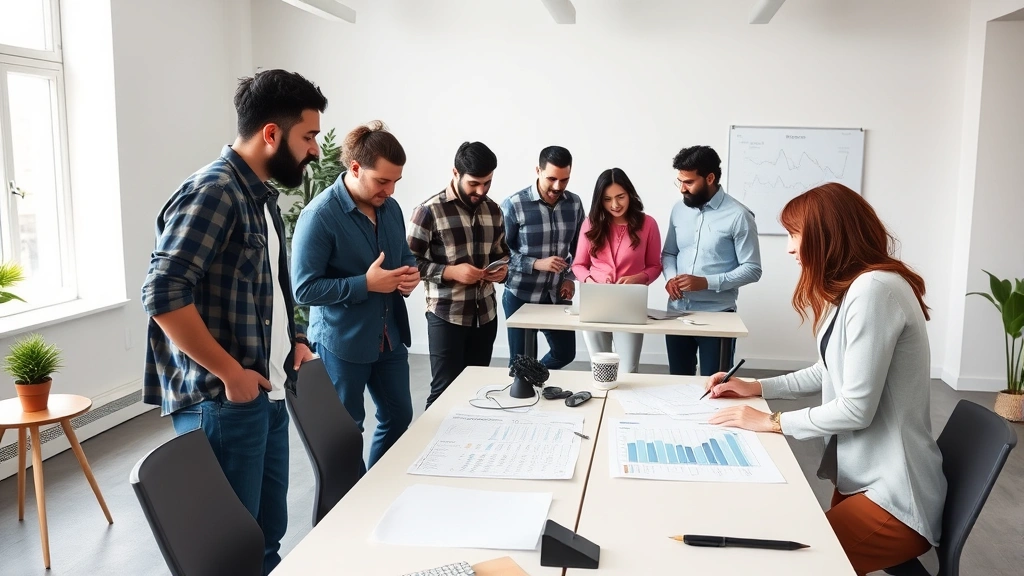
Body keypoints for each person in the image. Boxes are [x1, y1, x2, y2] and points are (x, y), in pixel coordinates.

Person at [704, 183, 946, 576]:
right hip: (865, 480)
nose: (789, 248)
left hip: (895, 499)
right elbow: (827, 370)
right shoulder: (855, 289)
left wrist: (773, 421)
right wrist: (758, 387)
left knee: (791, 565)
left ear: (828, 234)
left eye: (794, 234)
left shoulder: (875, 290)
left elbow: (855, 409)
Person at [141, 69, 324, 574]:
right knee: (227, 554)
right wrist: (230, 374)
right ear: (272, 133)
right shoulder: (214, 191)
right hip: (225, 402)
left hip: (264, 394)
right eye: (307, 136)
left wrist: (298, 340)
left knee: (264, 539)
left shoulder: (259, 196)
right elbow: (162, 293)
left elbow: (268, 286)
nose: (313, 149)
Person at [291, 120, 420, 470]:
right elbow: (303, 289)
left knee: (400, 415)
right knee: (348, 430)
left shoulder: (390, 209)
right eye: (382, 181)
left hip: (389, 336)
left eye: (396, 181)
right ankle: (352, 505)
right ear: (355, 168)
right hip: (342, 342)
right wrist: (365, 284)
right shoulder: (318, 216)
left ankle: (374, 487)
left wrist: (410, 274)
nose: (390, 190)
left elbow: (403, 256)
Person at [408, 142, 509, 409]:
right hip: (446, 315)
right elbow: (408, 263)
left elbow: (502, 252)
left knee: (477, 392)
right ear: (456, 173)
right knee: (443, 393)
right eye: (474, 183)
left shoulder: (494, 210)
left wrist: (502, 271)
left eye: (487, 183)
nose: (481, 190)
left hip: (486, 315)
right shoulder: (428, 211)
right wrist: (450, 271)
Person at [661, 145, 762, 376]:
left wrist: (706, 282)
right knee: (678, 381)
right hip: (676, 313)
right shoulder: (679, 210)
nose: (682, 189)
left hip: (718, 317)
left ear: (710, 178)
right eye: (680, 181)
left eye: (688, 182)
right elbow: (669, 253)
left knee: (715, 387)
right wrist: (670, 279)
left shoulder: (739, 216)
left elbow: (753, 269)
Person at [501, 146, 585, 369]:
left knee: (565, 352)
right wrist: (536, 264)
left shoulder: (575, 204)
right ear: (537, 170)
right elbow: (500, 253)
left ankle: (535, 376)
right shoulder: (514, 204)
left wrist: (570, 277)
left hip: (556, 295)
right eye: (552, 178)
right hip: (520, 294)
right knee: (520, 363)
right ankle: (526, 388)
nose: (558, 186)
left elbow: (581, 250)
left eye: (564, 180)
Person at [571, 168, 662, 373]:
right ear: (599, 200)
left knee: (628, 370)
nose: (615, 204)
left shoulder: (648, 224)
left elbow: (655, 266)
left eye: (620, 197)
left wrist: (638, 278)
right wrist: (591, 280)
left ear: (630, 193)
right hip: (595, 303)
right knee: (600, 368)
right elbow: (578, 265)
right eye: (607, 199)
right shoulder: (590, 224)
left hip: (629, 305)